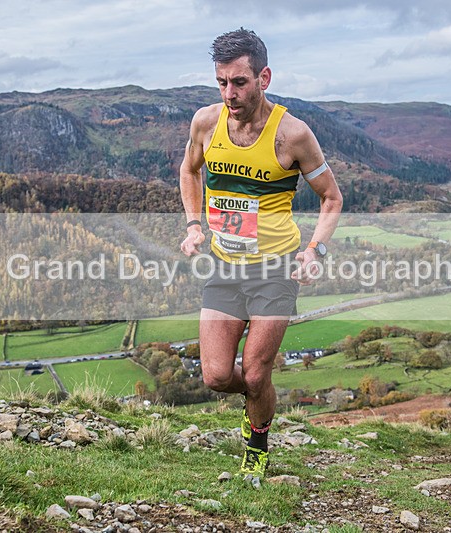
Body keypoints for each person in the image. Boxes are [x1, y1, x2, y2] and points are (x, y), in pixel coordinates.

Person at [179, 28, 342, 478]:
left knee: (253, 373)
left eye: (239, 82)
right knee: (215, 376)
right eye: (221, 82)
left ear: (264, 77)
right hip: (224, 267)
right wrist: (194, 224)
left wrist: (316, 250)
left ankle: (257, 444)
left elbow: (332, 198)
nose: (229, 93)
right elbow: (189, 171)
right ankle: (257, 398)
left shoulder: (292, 134)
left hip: (275, 268)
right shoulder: (206, 123)